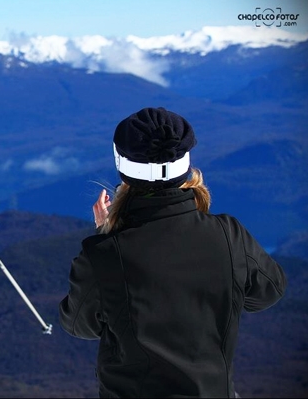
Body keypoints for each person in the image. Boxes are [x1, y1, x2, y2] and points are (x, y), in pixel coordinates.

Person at [58, 107, 287, 398]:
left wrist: (106, 237)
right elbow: (269, 291)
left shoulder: (104, 254)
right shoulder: (229, 235)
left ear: (122, 163)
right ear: (186, 161)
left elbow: (78, 324)